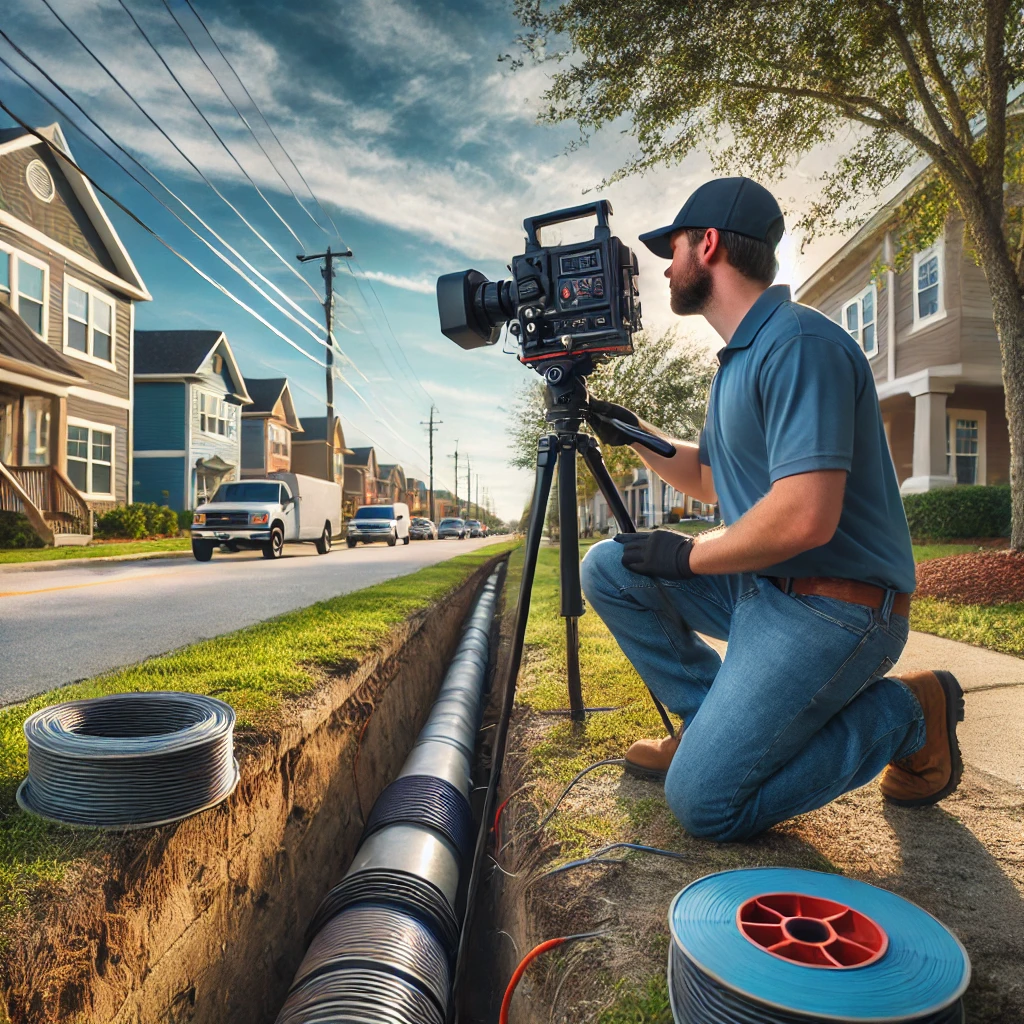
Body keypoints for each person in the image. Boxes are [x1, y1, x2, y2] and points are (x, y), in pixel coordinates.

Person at [580, 176, 964, 843]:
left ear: (709, 244)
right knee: (610, 568)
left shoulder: (799, 345)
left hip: (836, 608)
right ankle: (710, 727)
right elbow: (709, 478)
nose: (666, 267)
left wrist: (690, 555)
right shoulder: (738, 360)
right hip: (767, 589)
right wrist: (638, 435)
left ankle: (908, 713)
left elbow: (804, 516)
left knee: (703, 804)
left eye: (672, 250)